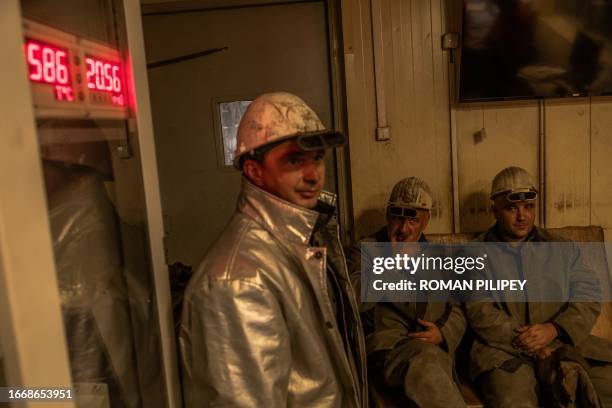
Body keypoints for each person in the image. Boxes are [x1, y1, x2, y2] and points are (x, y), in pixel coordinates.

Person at [179, 92, 367, 407]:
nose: (313, 175)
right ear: (254, 171)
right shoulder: (237, 282)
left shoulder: (305, 240)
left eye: (318, 158)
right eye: (295, 160)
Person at [466, 166, 612, 407]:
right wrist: (532, 342)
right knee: (513, 400)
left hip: (565, 344)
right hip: (504, 354)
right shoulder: (475, 254)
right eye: (512, 208)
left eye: (529, 207)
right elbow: (479, 310)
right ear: (494, 210)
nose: (522, 216)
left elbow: (588, 294)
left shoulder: (562, 247)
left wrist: (554, 330)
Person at [348, 177, 466, 407]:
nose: (403, 228)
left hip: (432, 352)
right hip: (386, 351)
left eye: (412, 219)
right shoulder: (365, 251)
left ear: (426, 221)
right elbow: (352, 297)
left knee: (432, 362)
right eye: (397, 217)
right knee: (427, 361)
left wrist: (443, 333)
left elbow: (458, 309)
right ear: (387, 216)